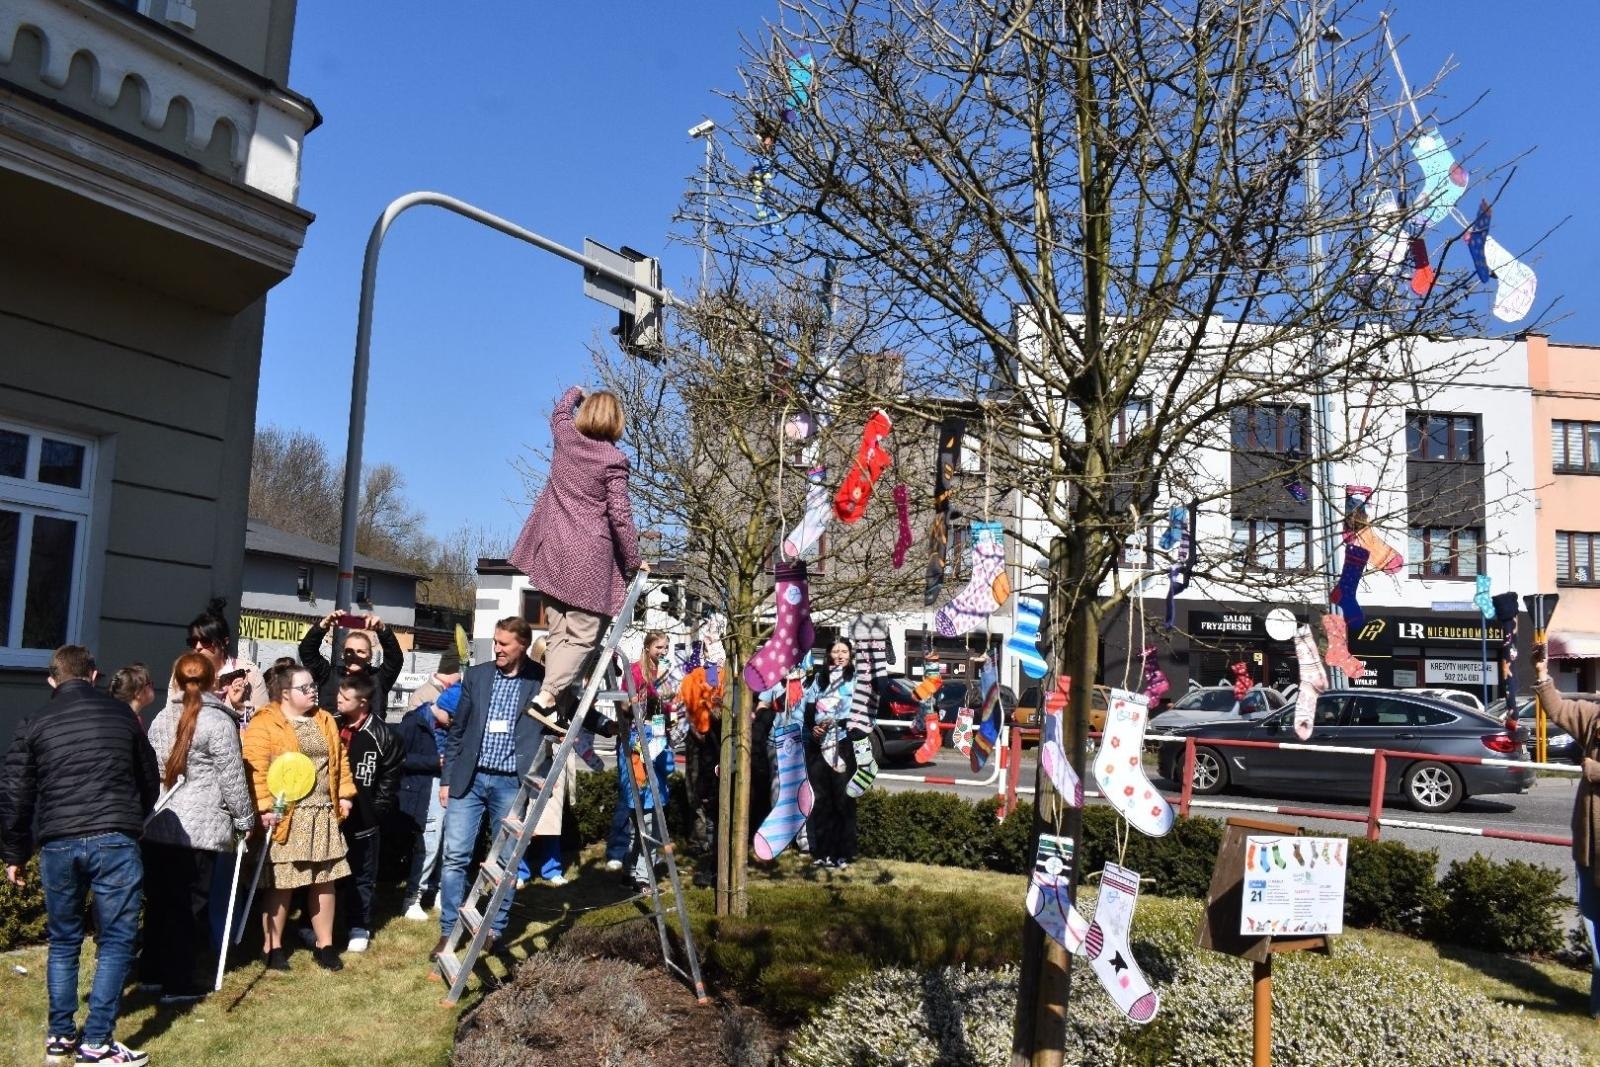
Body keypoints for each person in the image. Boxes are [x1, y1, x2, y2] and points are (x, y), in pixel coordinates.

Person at [0, 645, 159, 1067]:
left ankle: (61, 1036)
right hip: (114, 837)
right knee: (116, 940)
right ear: (92, 675)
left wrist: (14, 852)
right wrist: (134, 818)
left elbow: (15, 794)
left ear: (53, 680)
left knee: (64, 941)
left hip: (59, 842)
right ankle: (96, 1043)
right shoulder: (122, 716)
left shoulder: (34, 722)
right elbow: (149, 778)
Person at [508, 386, 645, 728]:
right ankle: (547, 698)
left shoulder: (566, 439)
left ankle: (559, 707)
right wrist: (632, 559)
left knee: (560, 634)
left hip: (552, 552)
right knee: (584, 636)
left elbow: (558, 414)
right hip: (589, 559)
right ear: (616, 422)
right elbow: (620, 516)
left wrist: (574, 393)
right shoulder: (613, 460)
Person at [140, 652, 256, 1003]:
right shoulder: (219, 722)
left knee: (160, 901)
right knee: (189, 905)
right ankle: (178, 981)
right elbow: (232, 779)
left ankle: (152, 973)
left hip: (163, 820)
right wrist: (244, 820)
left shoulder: (163, 717)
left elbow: (154, 768)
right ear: (213, 682)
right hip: (201, 827)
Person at [433, 617, 546, 961]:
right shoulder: (478, 676)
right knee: (455, 856)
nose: (496, 648)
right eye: (495, 642)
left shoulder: (539, 680)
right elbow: (458, 730)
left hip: (511, 784)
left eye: (504, 644)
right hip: (470, 779)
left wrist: (611, 723)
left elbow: (571, 709)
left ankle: (494, 930)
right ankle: (449, 929)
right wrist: (448, 779)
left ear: (522, 645)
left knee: (505, 863)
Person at [243, 664, 354, 972]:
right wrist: (265, 808)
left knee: (325, 880)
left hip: (322, 812)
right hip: (286, 815)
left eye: (313, 685)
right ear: (285, 693)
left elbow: (339, 760)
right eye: (304, 688)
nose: (312, 691)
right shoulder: (266, 723)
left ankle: (325, 944)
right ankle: (272, 946)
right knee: (282, 882)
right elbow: (255, 769)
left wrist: (344, 793)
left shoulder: (325, 719)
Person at [1532, 643, 1600, 1017]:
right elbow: (1558, 709)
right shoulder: (1595, 718)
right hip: (1590, 844)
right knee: (1595, 924)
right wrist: (1542, 675)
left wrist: (1593, 771)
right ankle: (1597, 1004)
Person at [330, 673, 401, 953]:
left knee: (361, 875)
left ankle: (359, 925)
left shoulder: (382, 735)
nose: (338, 699)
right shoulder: (331, 725)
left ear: (363, 702)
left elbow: (389, 778)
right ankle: (314, 925)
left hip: (363, 820)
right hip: (331, 816)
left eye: (345, 697)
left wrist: (376, 811)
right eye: (339, 694)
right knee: (325, 875)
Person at [396, 682, 457, 920]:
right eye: (452, 716)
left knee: (447, 844)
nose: (453, 723)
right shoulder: (413, 723)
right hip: (423, 790)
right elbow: (399, 758)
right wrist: (434, 762)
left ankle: (441, 891)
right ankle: (413, 897)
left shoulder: (449, 726)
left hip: (446, 788)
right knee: (428, 845)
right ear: (442, 707)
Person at [804, 639, 858, 870]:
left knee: (842, 800)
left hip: (843, 745)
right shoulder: (818, 679)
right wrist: (813, 729)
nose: (839, 655)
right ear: (827, 655)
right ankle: (821, 851)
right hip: (818, 747)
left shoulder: (856, 681)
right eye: (835, 651)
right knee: (820, 799)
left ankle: (842, 853)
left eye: (844, 651)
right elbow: (808, 712)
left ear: (850, 655)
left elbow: (864, 717)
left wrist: (841, 722)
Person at [177, 599, 268, 723]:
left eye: (206, 641)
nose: (198, 647)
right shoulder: (184, 673)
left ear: (224, 642)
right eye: (193, 642)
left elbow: (263, 724)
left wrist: (240, 707)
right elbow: (172, 719)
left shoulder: (250, 673)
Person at [299, 610, 404, 713]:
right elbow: (307, 652)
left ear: (370, 656)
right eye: (349, 651)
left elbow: (395, 659)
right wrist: (322, 626)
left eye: (361, 652)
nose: (355, 656)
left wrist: (383, 630)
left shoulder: (379, 680)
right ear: (342, 655)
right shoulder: (328, 676)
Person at [109, 664, 156, 730]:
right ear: (138, 693)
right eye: (149, 684)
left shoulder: (125, 718)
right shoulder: (129, 723)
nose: (152, 685)